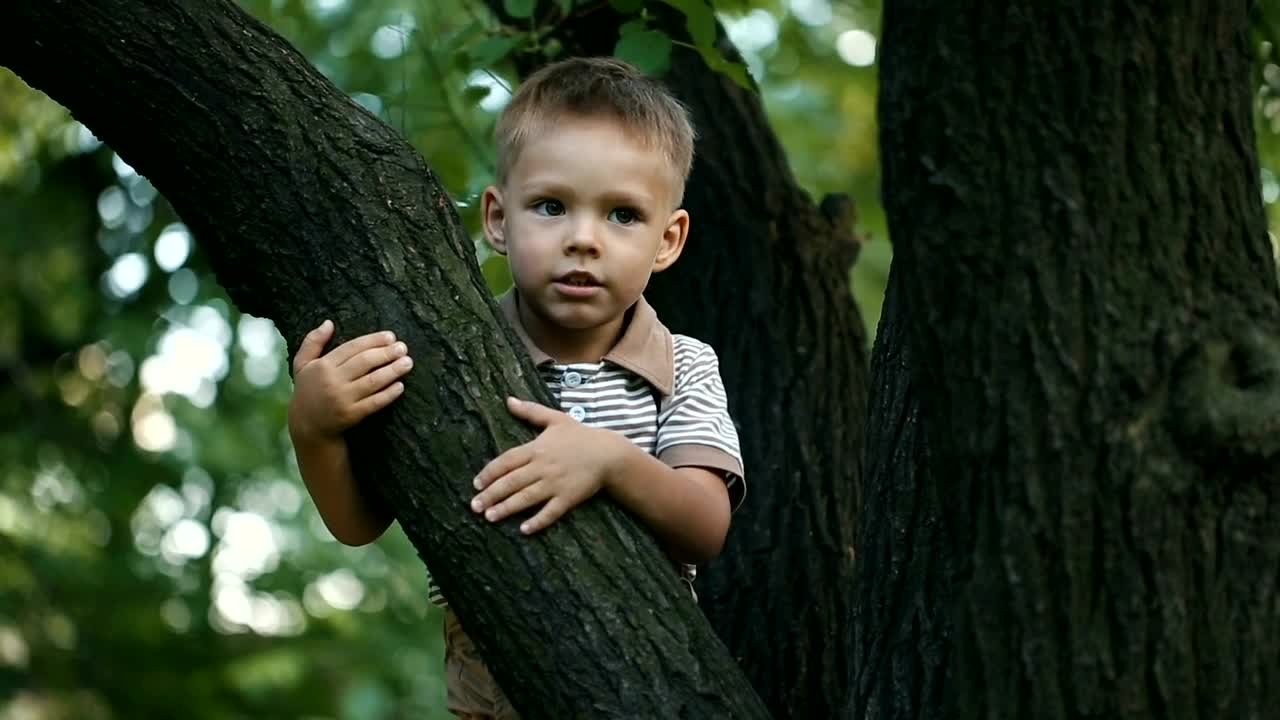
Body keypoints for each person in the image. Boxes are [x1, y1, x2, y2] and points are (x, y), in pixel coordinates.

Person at [286, 56, 745, 719]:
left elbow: (705, 526)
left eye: (622, 215)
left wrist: (608, 460)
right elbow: (360, 522)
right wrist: (314, 428)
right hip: (491, 684)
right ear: (499, 220)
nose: (583, 240)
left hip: (641, 673)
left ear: (667, 240)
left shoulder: (683, 364)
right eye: (552, 206)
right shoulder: (450, 353)